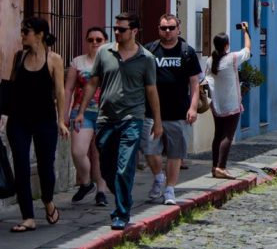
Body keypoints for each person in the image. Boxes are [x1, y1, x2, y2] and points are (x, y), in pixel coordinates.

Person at [77, 12, 161, 230]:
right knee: (106, 169)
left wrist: (158, 122)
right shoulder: (104, 52)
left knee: (125, 167)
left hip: (132, 118)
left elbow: (152, 91)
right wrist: (80, 111)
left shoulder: (146, 58)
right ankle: (123, 196)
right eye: (115, 28)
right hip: (106, 119)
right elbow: (93, 83)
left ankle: (121, 213)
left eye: (122, 29)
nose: (117, 32)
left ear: (134, 31)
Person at [5, 18, 68, 232]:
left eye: (26, 32)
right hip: (18, 120)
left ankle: (48, 201)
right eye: (22, 31)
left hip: (45, 120)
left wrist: (61, 120)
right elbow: (11, 87)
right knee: (21, 167)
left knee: (45, 167)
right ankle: (28, 217)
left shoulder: (54, 59)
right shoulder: (19, 57)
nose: (22, 35)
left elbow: (59, 91)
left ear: (39, 35)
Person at [144, 14, 202, 206]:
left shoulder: (187, 52)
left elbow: (195, 83)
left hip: (178, 112)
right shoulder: (150, 51)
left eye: (170, 28)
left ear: (178, 29)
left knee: (175, 153)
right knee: (149, 149)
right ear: (158, 29)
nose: (167, 32)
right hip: (151, 112)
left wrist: (193, 107)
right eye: (163, 28)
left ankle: (170, 189)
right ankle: (158, 176)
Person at [64, 25, 110, 207]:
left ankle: (101, 191)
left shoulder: (112, 61)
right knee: (78, 151)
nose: (95, 43)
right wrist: (65, 114)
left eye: (99, 40)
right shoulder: (78, 62)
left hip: (105, 113)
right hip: (81, 113)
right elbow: (68, 89)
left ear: (105, 41)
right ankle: (85, 182)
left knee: (100, 154)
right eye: (91, 40)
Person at [207, 23, 252, 180]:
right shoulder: (232, 58)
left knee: (217, 134)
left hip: (216, 104)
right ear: (226, 45)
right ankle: (221, 166)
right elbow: (247, 48)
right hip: (231, 104)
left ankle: (214, 166)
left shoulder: (209, 61)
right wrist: (246, 31)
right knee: (228, 136)